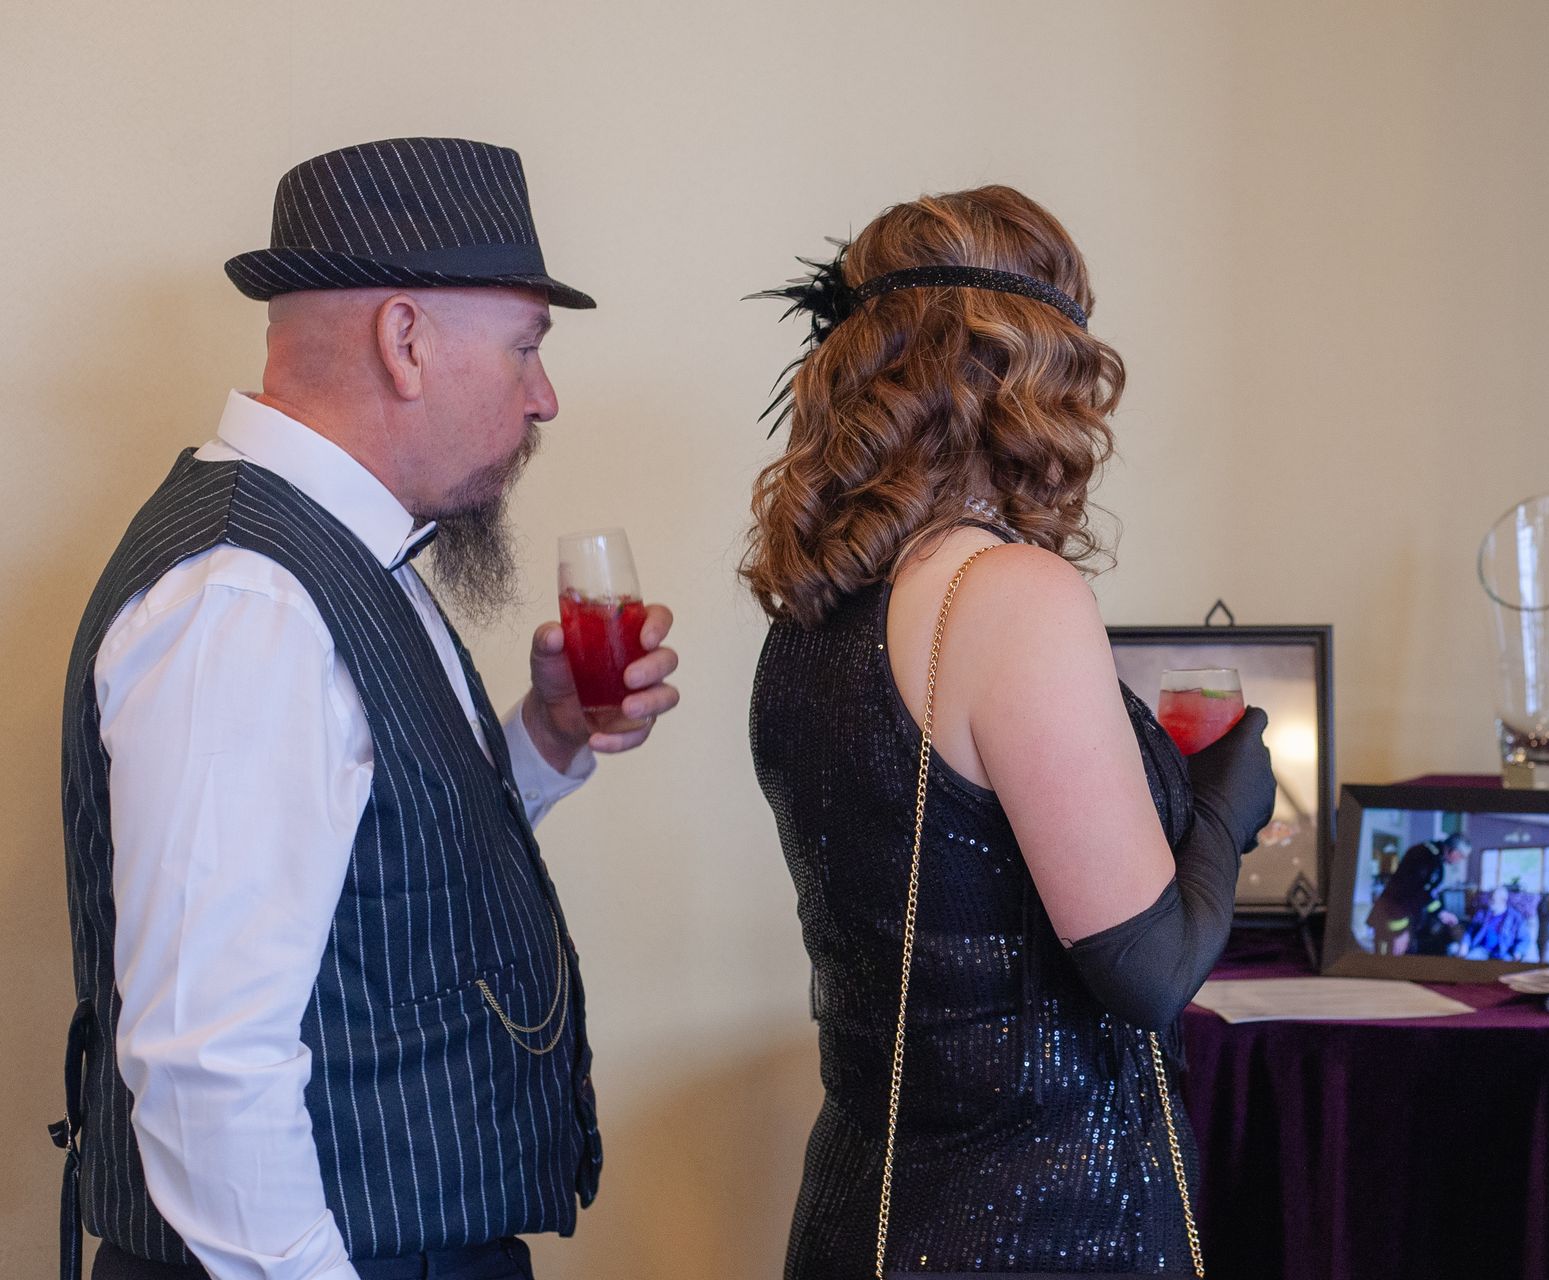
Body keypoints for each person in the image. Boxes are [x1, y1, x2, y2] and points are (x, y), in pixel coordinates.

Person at [56, 139, 678, 1280]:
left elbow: (371, 880)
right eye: (527, 346)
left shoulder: (335, 557)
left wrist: (544, 739)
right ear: (405, 338)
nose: (546, 394)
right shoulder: (248, 597)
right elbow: (207, 1063)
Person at [744, 187, 1277, 1276]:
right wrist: (1228, 803)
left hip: (865, 1210)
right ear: (1030, 368)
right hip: (1038, 1230)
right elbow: (1150, 966)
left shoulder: (810, 608)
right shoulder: (1009, 593)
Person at [1366, 833, 1469, 956]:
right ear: (1455, 853)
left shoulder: (1433, 858)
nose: (1460, 861)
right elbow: (1404, 893)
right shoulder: (1424, 857)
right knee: (1385, 965)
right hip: (1390, 921)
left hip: (1403, 922)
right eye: (1462, 857)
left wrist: (1441, 912)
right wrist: (1400, 932)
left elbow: (1425, 895)